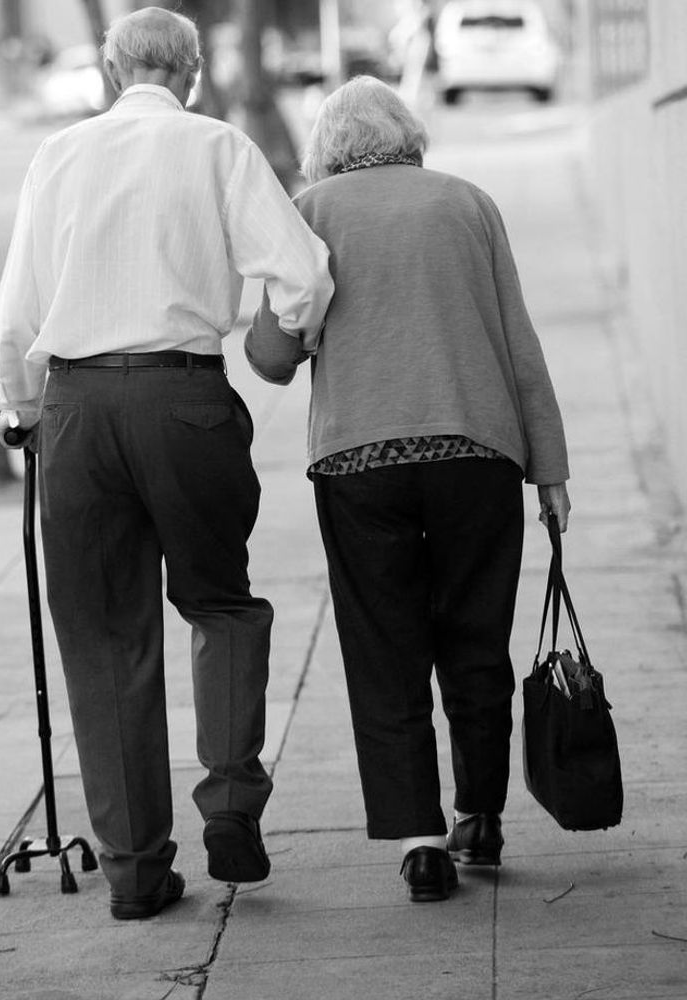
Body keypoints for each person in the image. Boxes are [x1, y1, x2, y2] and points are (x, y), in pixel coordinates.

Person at [0, 7, 333, 920]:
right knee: (219, 602)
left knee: (104, 639)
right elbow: (304, 277)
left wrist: (20, 408)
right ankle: (228, 800)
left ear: (110, 70)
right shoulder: (218, 148)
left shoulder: (58, 156)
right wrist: (273, 351)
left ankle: (137, 874)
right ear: (188, 73)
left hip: (76, 405)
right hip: (184, 398)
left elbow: (15, 317)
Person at [245, 76, 570, 903]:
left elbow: (276, 358)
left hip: (360, 462)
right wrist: (552, 472)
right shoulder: (468, 204)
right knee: (474, 635)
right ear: (411, 134)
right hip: (477, 451)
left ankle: (420, 842)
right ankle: (481, 817)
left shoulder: (307, 212)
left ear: (328, 144)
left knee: (383, 648)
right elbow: (519, 344)